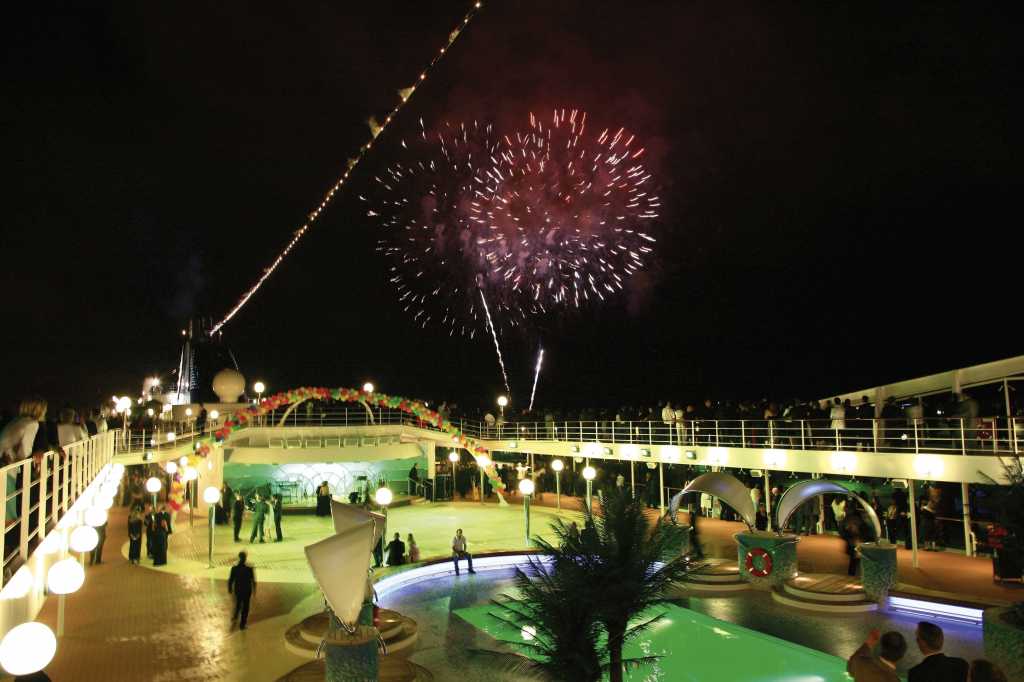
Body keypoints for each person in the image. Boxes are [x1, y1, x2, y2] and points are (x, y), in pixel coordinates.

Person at [228, 551, 256, 630]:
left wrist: (230, 588)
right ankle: (242, 624)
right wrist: (254, 589)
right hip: (247, 590)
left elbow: (231, 579)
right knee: (245, 607)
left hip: (238, 589)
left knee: (238, 603)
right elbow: (253, 580)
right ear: (245, 558)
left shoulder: (234, 568)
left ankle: (235, 617)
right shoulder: (249, 569)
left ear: (239, 557)